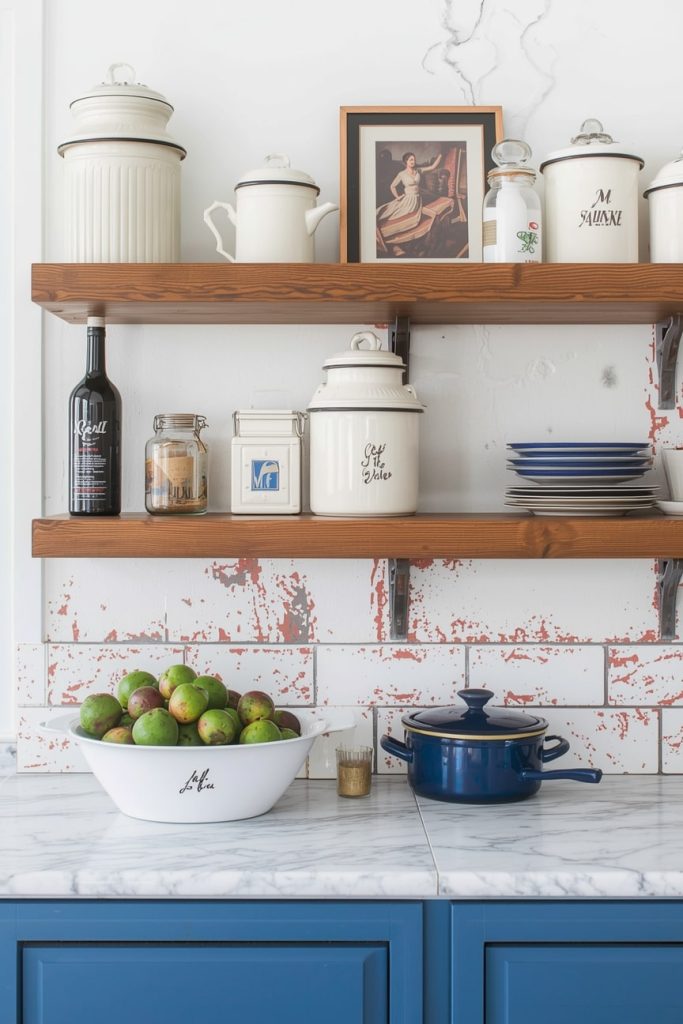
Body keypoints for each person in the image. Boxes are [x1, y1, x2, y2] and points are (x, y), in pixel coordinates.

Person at [376, 151, 443, 251]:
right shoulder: (401, 174)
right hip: (408, 200)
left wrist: (441, 155)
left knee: (413, 219)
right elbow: (392, 186)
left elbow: (433, 167)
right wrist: (398, 197)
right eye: (411, 159)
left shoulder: (418, 170)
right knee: (392, 215)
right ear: (406, 161)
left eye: (414, 159)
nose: (413, 161)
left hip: (417, 199)